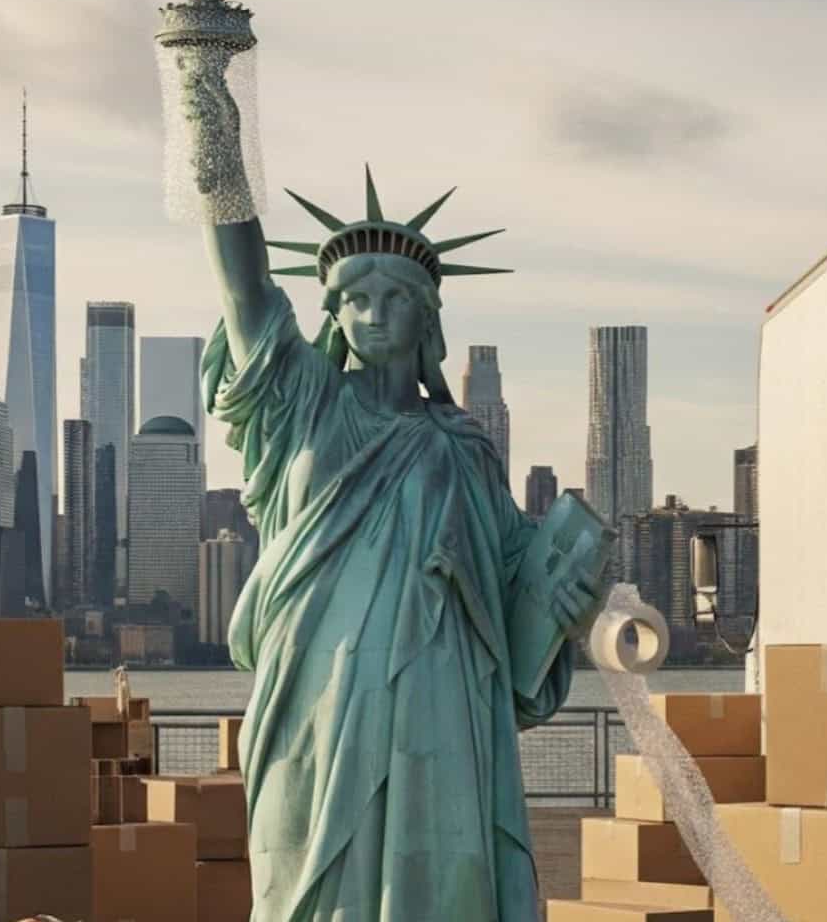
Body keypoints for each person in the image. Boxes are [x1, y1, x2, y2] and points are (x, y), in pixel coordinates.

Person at [175, 57, 612, 921]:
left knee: (442, 885)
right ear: (331, 315)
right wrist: (208, 109)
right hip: (317, 692)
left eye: (395, 299)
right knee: (302, 879)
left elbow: (516, 588)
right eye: (354, 298)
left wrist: (567, 585)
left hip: (438, 700)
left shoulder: (464, 451)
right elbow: (244, 277)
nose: (373, 314)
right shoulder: (301, 406)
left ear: (429, 320)